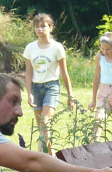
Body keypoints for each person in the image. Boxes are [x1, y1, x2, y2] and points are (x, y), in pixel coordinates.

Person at [23, 13, 75, 153]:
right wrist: (29, 93)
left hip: (51, 86)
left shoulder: (57, 47)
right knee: (41, 127)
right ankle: (50, 155)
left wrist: (70, 96)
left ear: (50, 28)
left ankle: (41, 155)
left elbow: (64, 73)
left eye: (43, 26)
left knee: (45, 121)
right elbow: (28, 73)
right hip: (35, 87)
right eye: (37, 26)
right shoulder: (30, 48)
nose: (40, 29)